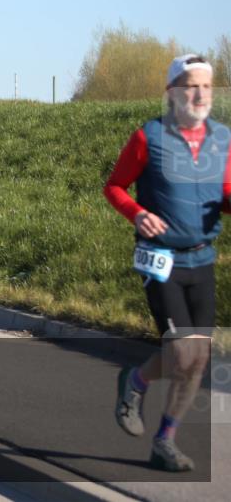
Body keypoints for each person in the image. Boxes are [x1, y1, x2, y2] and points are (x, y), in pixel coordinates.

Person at [105, 54, 229, 472]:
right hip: (160, 259)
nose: (200, 94)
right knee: (181, 352)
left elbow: (225, 191)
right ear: (172, 92)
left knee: (200, 357)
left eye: (207, 87)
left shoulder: (221, 139)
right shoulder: (149, 137)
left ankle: (165, 441)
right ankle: (136, 381)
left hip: (202, 257)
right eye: (192, 86)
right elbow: (116, 187)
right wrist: (137, 213)